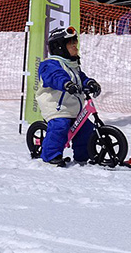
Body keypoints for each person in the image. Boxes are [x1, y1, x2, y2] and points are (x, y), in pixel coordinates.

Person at [36, 26, 101, 167]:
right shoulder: (50, 64)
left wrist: (89, 83)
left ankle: (83, 157)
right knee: (60, 126)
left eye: (75, 43)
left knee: (86, 128)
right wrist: (66, 84)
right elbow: (55, 77)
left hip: (72, 108)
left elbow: (81, 78)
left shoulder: (72, 66)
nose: (75, 47)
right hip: (56, 107)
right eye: (71, 44)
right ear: (60, 47)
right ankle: (50, 156)